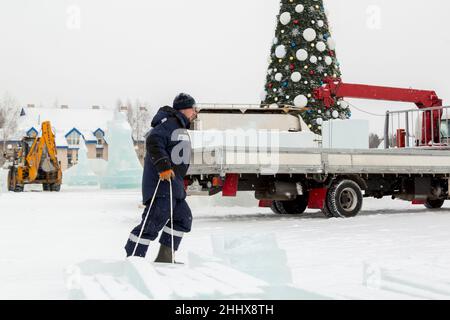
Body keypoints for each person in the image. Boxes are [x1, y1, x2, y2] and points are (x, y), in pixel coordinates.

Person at [124, 93, 198, 262]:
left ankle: (165, 257)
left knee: (183, 218)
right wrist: (163, 166)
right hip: (162, 185)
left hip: (174, 185)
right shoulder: (169, 124)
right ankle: (134, 258)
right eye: (193, 109)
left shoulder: (179, 126)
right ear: (184, 109)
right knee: (154, 221)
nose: (195, 113)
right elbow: (153, 140)